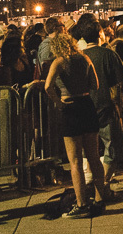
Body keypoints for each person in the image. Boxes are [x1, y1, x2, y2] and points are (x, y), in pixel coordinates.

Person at [43, 33, 107, 217]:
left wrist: (59, 102)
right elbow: (95, 84)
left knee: (75, 161)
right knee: (94, 157)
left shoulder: (59, 62)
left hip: (70, 108)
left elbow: (48, 87)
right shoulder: (85, 58)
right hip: (87, 106)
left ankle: (81, 204)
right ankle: (100, 199)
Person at [80, 22, 123, 184]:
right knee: (112, 147)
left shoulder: (79, 55)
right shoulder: (107, 54)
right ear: (100, 34)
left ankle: (93, 182)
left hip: (85, 106)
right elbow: (121, 79)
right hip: (106, 105)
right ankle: (104, 183)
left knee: (89, 149)